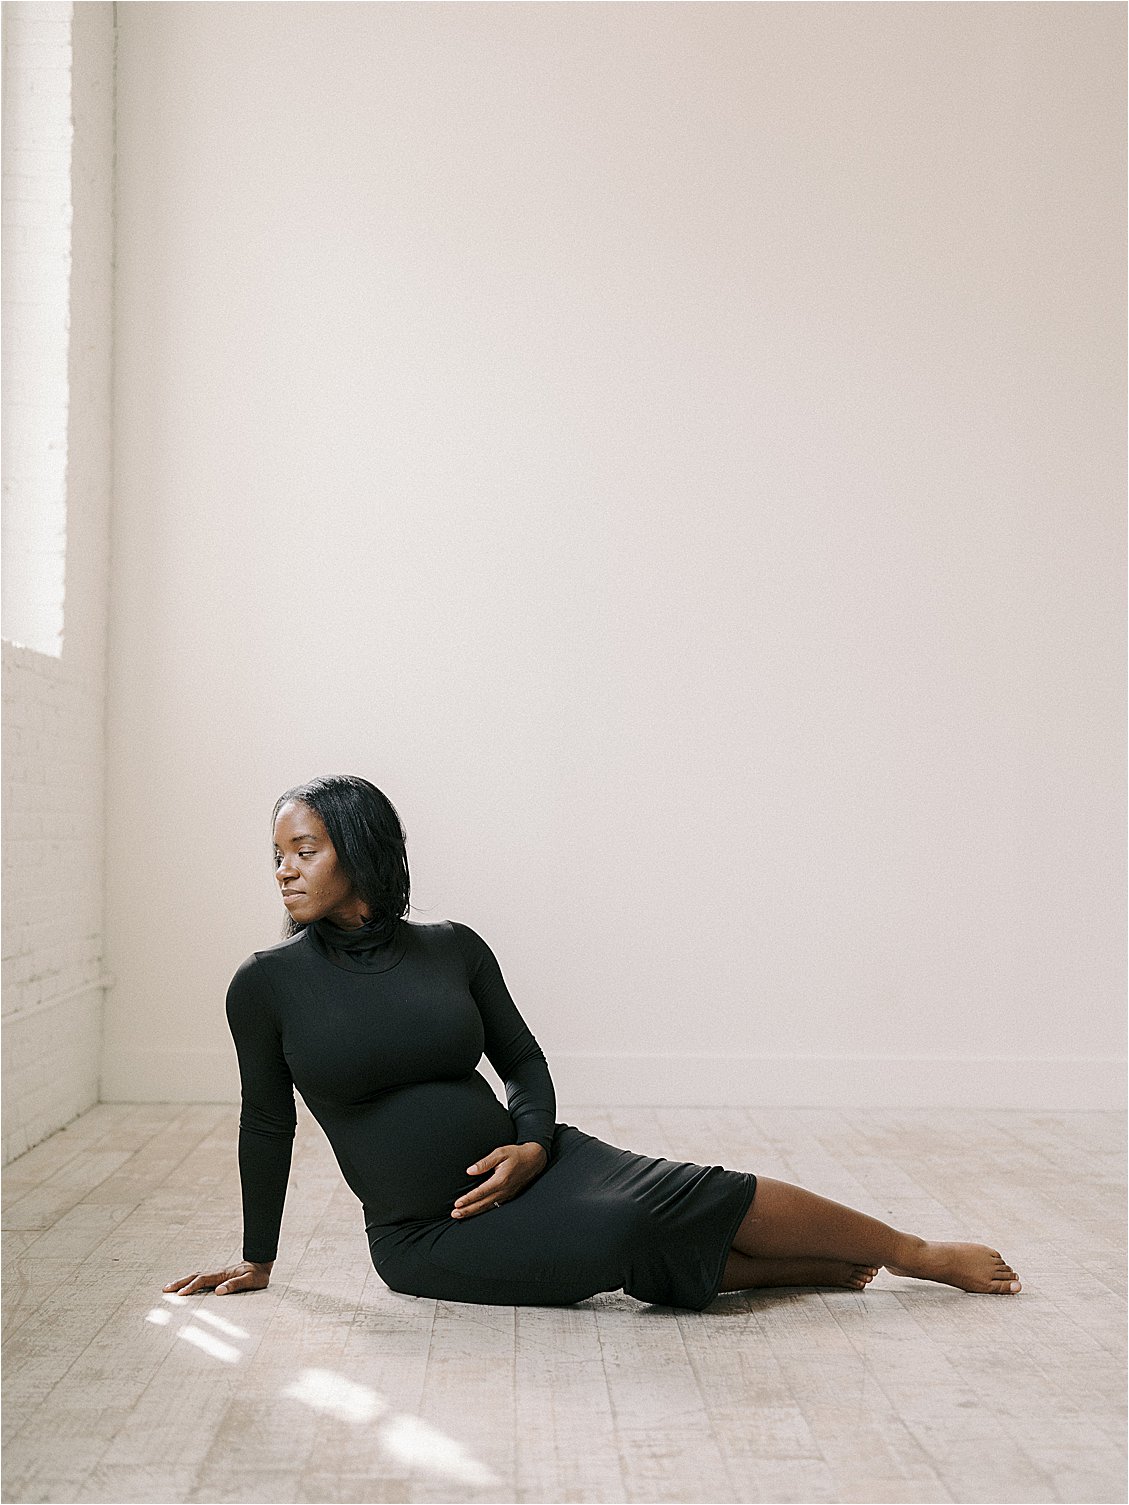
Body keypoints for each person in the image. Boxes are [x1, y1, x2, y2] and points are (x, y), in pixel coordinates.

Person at [164, 775, 1022, 1308]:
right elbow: (265, 1124)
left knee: (692, 1185)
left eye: (302, 848)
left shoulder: (451, 945)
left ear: (359, 850)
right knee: (620, 1233)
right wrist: (257, 1257)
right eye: (276, 852)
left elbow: (523, 1060)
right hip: (432, 1230)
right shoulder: (266, 983)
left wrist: (533, 1144)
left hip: (549, 1163)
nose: (282, 868)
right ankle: (785, 1270)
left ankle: (913, 1253)